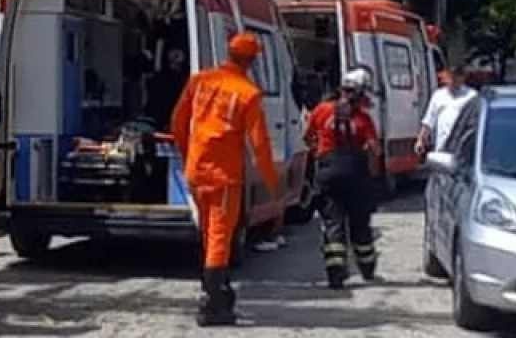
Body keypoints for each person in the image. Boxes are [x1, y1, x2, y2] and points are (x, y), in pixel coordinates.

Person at [171, 33, 279, 327]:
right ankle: (212, 302)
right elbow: (260, 144)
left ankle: (220, 287)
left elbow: (178, 121)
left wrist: (187, 153)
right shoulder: (248, 93)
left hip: (196, 170)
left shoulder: (201, 81)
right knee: (220, 234)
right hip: (224, 176)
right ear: (252, 61)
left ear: (229, 53)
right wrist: (273, 185)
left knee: (209, 232)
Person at [304, 67, 381, 289]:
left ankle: (336, 274)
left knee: (332, 224)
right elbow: (374, 150)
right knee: (360, 224)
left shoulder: (321, 110)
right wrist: (373, 179)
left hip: (327, 174)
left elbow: (307, 136)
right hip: (356, 176)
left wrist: (319, 154)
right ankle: (367, 268)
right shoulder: (363, 119)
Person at [415, 65, 476, 156]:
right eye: (451, 77)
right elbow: (429, 121)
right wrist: (420, 141)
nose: (453, 80)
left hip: (463, 150)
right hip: (442, 148)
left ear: (462, 78)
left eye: (456, 77)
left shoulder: (471, 96)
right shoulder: (438, 96)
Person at [146, 45, 189, 128]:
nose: (175, 57)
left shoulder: (189, 79)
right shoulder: (159, 79)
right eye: (173, 53)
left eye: (177, 54)